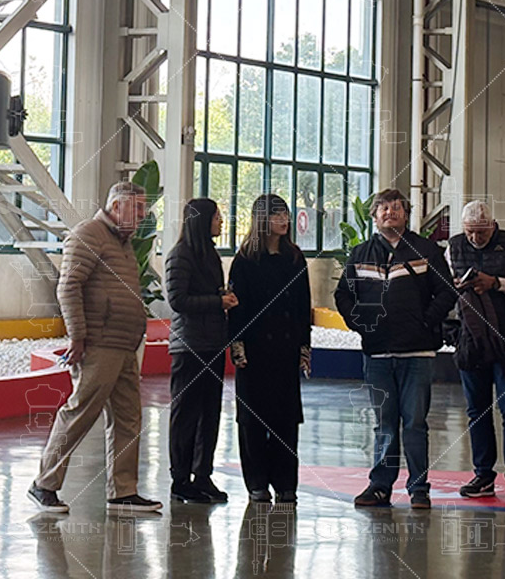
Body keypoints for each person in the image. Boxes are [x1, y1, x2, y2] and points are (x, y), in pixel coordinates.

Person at [29, 181, 163, 514]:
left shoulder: (123, 243)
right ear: (117, 206)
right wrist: (77, 337)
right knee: (80, 413)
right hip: (99, 344)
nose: (143, 215)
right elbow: (68, 286)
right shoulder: (88, 234)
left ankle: (123, 491)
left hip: (124, 343)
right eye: (138, 208)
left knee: (129, 418)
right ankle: (43, 484)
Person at [334, 188, 455, 509]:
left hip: (418, 353)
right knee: (384, 423)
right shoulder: (359, 254)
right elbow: (343, 296)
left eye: (397, 207)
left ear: (406, 214)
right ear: (374, 216)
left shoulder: (427, 250)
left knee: (415, 422)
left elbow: (447, 292)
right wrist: (362, 324)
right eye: (383, 208)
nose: (390, 212)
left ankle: (419, 489)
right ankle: (380, 487)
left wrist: (425, 322)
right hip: (377, 354)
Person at [446, 200, 505, 503]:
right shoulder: (453, 246)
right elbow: (444, 289)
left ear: (493, 225)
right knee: (477, 409)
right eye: (470, 232)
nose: (475, 239)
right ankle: (483, 474)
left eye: (482, 233)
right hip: (471, 336)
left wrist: (497, 283)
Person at [227, 194, 311, 506]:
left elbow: (304, 306)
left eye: (286, 215)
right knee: (252, 419)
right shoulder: (245, 260)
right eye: (277, 216)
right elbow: (236, 309)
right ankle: (257, 483)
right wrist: (238, 347)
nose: (284, 221)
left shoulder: (294, 258)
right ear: (262, 219)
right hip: (254, 350)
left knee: (286, 419)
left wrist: (304, 346)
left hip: (286, 350)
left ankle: (286, 484)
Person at [165, 197, 236, 504]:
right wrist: (217, 302)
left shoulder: (210, 254)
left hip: (212, 344)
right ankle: (180, 480)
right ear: (201, 220)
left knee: (210, 413)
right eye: (217, 217)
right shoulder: (180, 255)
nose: (221, 222)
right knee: (186, 414)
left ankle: (203, 476)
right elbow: (178, 300)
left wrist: (223, 298)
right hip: (189, 346)